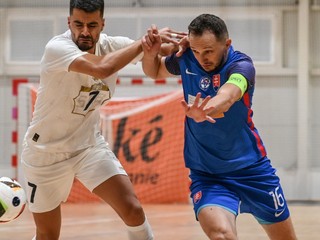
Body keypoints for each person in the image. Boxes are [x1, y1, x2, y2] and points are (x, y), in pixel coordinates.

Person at [20, 1, 185, 240]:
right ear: (69, 22)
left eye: (92, 25)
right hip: (45, 154)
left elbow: (160, 53)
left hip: (87, 146)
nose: (85, 31)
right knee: (48, 235)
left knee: (133, 210)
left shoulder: (112, 45)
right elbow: (103, 69)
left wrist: (183, 46)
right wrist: (142, 42)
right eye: (78, 24)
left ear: (102, 24)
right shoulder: (57, 47)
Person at [141, 14, 297, 240]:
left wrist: (205, 109)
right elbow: (154, 71)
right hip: (208, 174)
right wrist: (150, 52)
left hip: (252, 170)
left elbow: (228, 95)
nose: (201, 57)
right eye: (196, 50)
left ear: (227, 44)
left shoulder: (242, 65)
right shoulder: (187, 58)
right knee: (221, 235)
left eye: (208, 51)